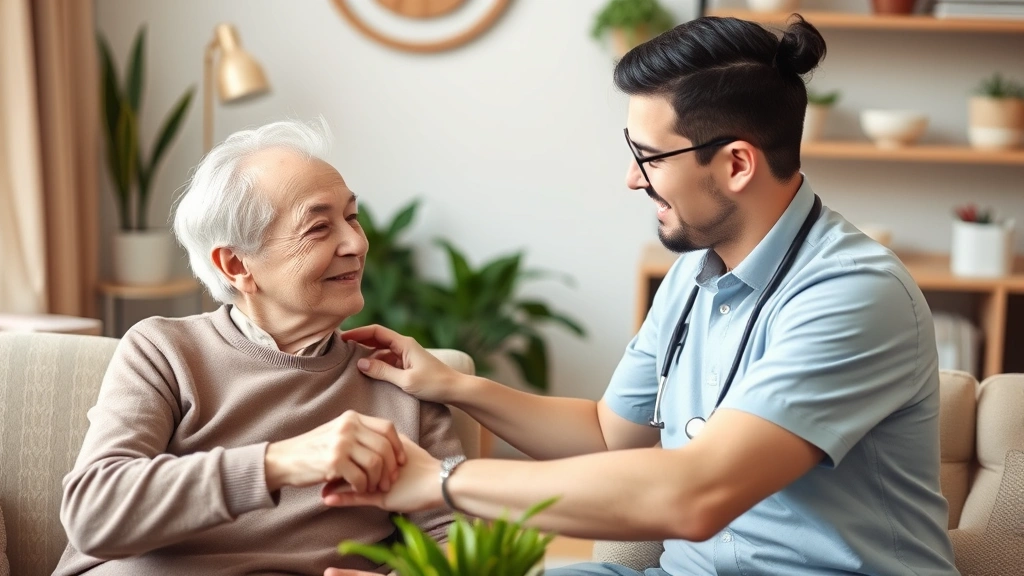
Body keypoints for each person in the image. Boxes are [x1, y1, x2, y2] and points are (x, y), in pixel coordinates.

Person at [324, 16, 959, 576]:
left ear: (737, 164)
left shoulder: (853, 295)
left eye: (649, 156)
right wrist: (457, 387)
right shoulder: (693, 273)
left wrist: (435, 481)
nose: (632, 179)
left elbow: (693, 497)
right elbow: (608, 435)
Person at [54, 119, 462, 576]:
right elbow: (94, 512)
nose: (356, 243)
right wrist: (277, 463)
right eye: (319, 227)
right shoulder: (165, 350)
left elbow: (453, 538)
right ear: (235, 264)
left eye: (351, 217)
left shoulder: (398, 378)